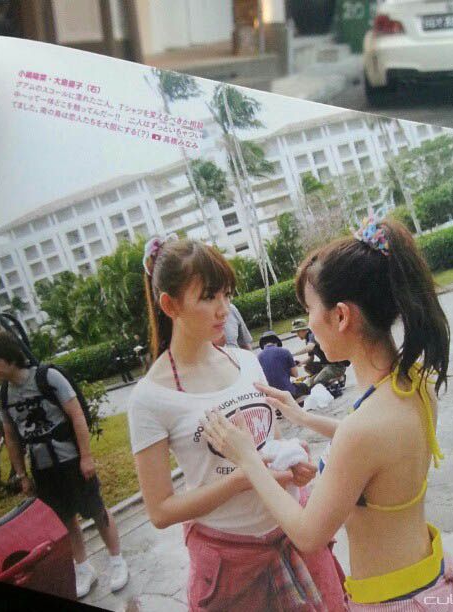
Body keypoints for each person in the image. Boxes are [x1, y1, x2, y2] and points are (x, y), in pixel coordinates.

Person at [202, 216, 453, 611]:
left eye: (309, 309)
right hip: (431, 579)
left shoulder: (363, 431)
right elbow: (378, 444)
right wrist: (303, 417)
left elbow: (308, 534)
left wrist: (247, 459)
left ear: (341, 316)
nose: (308, 324)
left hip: (392, 601)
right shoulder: (413, 384)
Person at [127, 235, 345, 611]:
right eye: (208, 297)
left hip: (295, 533)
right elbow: (160, 510)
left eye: (226, 295)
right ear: (169, 305)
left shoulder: (245, 362)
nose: (224, 310)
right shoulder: (150, 399)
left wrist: (293, 467)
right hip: (233, 564)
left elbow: (270, 445)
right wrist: (240, 480)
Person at [0, 330, 129, 599]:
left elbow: (77, 415)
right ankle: (83, 567)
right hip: (42, 468)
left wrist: (86, 457)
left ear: (9, 356)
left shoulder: (47, 377)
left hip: (71, 460)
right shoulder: (3, 396)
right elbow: (11, 436)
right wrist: (22, 475)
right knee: (64, 518)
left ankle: (117, 560)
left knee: (96, 510)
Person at [291, 318, 347, 388]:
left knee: (317, 382)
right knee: (307, 367)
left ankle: (338, 378)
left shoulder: (312, 335)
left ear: (303, 330)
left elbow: (309, 347)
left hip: (336, 366)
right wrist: (301, 362)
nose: (297, 334)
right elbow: (311, 358)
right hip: (326, 364)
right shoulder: (308, 339)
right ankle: (325, 376)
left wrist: (292, 354)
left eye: (297, 332)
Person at [258, 330, 309, 400]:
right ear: (277, 342)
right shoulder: (285, 352)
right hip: (288, 392)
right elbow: (295, 374)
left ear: (262, 344)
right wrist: (287, 367)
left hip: (271, 395)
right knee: (304, 387)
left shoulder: (258, 357)